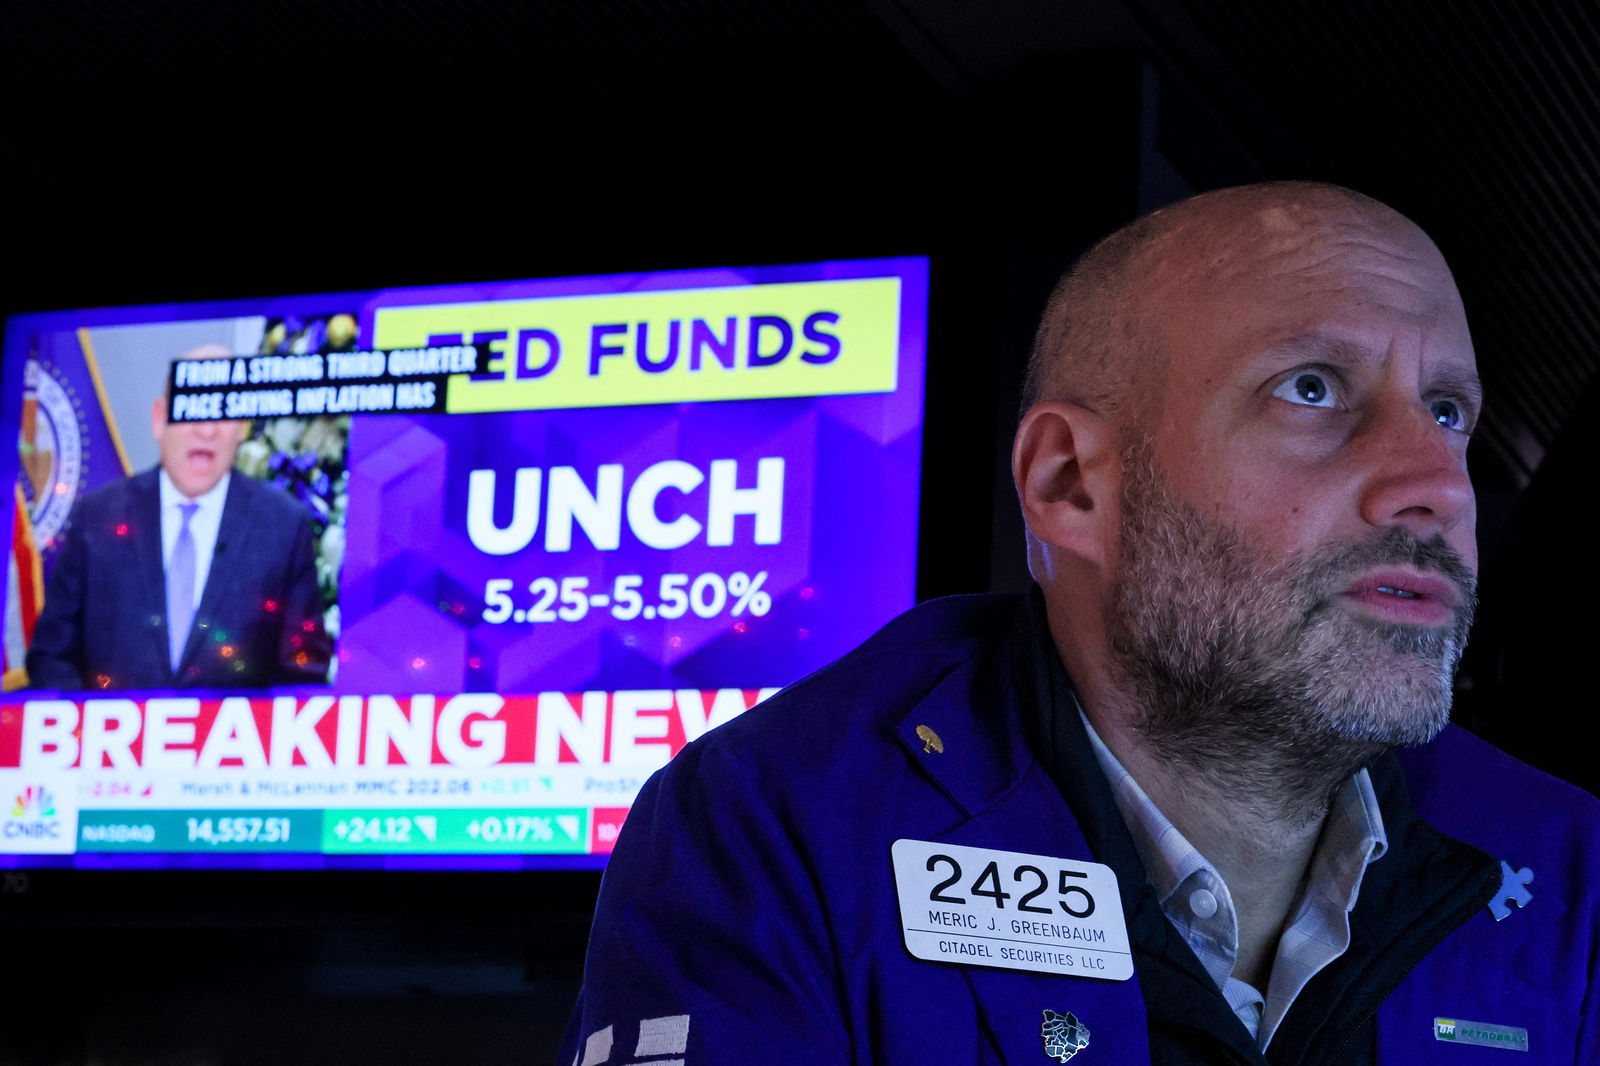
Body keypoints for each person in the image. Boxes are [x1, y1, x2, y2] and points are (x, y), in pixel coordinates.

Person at [561, 184, 1599, 1065]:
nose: (1435, 488)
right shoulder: (778, 825)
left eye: (1449, 411)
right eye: (1312, 390)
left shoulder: (1566, 860)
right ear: (1069, 484)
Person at [25, 346, 330, 691]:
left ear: (242, 427)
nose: (206, 430)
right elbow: (52, 657)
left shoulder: (284, 527)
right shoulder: (96, 518)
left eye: (222, 410)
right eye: (191, 407)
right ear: (159, 418)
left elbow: (302, 673)